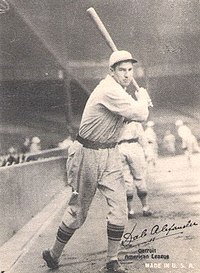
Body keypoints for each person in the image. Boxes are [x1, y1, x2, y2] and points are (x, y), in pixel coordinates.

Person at [42, 50, 151, 273]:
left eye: (130, 70)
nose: (127, 75)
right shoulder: (109, 90)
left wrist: (140, 104)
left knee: (120, 209)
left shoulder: (120, 92)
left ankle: (112, 260)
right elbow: (139, 114)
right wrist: (142, 101)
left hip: (111, 153)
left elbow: (134, 113)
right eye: (122, 70)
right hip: (87, 153)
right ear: (112, 71)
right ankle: (54, 254)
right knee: (78, 213)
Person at [118, 121, 153, 219]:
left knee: (127, 179)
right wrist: (147, 151)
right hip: (132, 147)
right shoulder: (135, 122)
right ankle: (144, 207)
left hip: (121, 147)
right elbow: (142, 139)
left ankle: (131, 210)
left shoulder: (115, 120)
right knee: (138, 177)